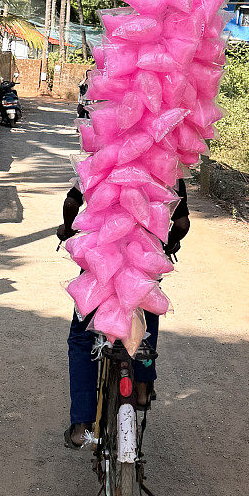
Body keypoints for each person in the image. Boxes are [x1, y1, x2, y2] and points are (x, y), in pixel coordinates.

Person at [58, 175, 190, 449]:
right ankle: (141, 387)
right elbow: (181, 223)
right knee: (145, 319)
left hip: (100, 264)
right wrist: (169, 242)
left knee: (82, 338)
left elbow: (72, 202)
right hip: (144, 263)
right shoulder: (165, 165)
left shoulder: (103, 158)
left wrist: (68, 229)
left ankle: (82, 423)